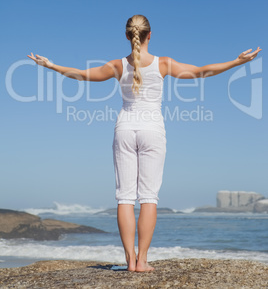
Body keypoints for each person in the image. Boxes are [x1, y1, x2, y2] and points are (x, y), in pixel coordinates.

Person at [27, 14, 262, 272]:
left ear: (127, 36)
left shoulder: (117, 66)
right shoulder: (163, 64)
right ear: (149, 35)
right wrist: (237, 62)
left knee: (125, 198)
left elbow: (81, 75)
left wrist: (50, 66)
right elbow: (200, 72)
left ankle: (129, 261)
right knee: (149, 198)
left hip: (125, 129)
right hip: (153, 131)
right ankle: (142, 261)